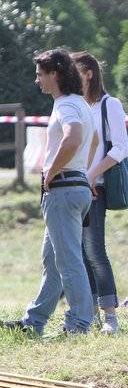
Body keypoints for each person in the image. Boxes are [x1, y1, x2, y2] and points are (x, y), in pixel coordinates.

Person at [3, 49, 98, 335]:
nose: (37, 80)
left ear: (54, 74)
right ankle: (34, 321)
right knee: (52, 259)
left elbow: (75, 138)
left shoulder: (66, 105)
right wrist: (84, 173)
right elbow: (91, 144)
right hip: (77, 185)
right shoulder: (80, 103)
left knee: (68, 259)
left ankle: (80, 322)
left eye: (40, 74)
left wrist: (52, 171)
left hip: (63, 189)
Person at [71, 51, 128, 334]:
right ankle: (88, 312)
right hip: (74, 187)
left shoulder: (110, 104)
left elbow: (120, 148)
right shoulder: (75, 105)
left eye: (75, 70)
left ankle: (110, 315)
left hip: (97, 186)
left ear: (89, 73)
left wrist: (92, 175)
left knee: (94, 250)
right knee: (79, 252)